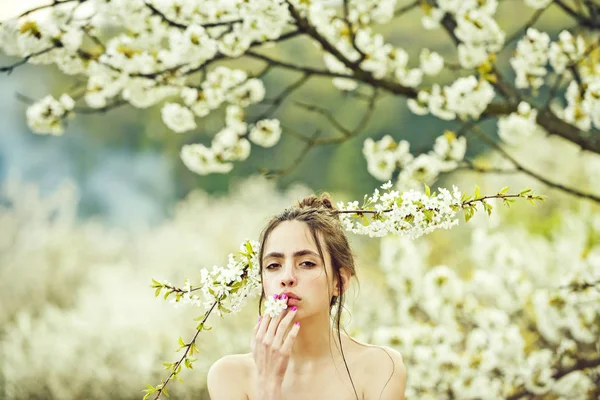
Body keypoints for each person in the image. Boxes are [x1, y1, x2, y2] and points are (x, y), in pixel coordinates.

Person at [207, 194, 407, 399]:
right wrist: (267, 384)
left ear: (340, 281)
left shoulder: (380, 368)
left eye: (307, 263)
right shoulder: (229, 376)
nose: (287, 278)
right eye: (273, 265)